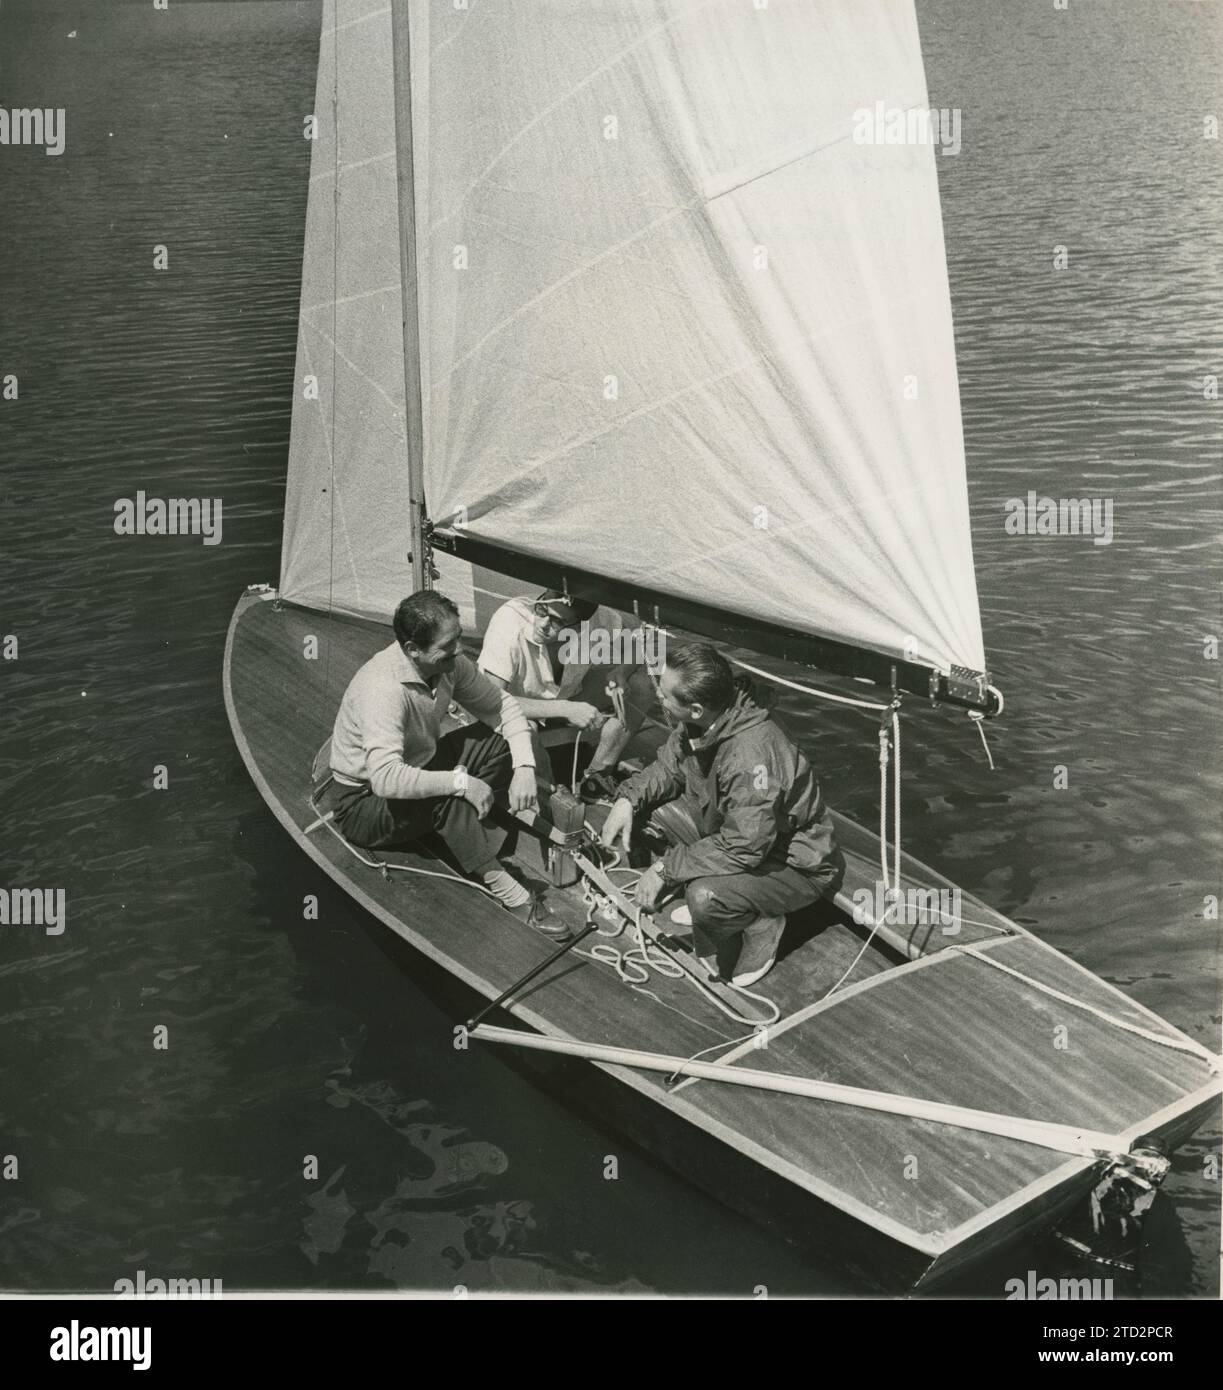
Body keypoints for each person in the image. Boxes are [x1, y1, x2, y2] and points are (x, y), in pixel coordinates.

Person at [320, 589, 572, 940]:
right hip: (363, 803)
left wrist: (525, 769)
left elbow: (503, 708)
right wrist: (462, 783)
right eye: (447, 646)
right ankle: (502, 884)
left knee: (502, 744)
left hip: (419, 764)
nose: (458, 652)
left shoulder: (448, 665)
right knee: (447, 796)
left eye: (457, 638)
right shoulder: (383, 689)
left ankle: (462, 825)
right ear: (412, 649)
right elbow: (386, 780)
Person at [600, 643, 844, 987]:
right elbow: (669, 768)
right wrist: (626, 800)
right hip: (742, 835)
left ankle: (762, 924)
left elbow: (746, 846)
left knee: (704, 897)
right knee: (645, 812)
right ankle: (725, 901)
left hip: (793, 863)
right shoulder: (708, 719)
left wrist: (664, 869)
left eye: (665, 695)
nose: (658, 697)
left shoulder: (749, 755)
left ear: (696, 708)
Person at [478, 590, 655, 796]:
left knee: (644, 686)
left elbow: (644, 644)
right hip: (518, 708)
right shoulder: (509, 618)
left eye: (557, 622)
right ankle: (554, 797)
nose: (543, 623)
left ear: (579, 628)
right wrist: (565, 709)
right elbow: (490, 700)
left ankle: (596, 777)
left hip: (567, 695)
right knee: (526, 728)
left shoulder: (601, 619)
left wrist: (621, 673)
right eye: (542, 609)